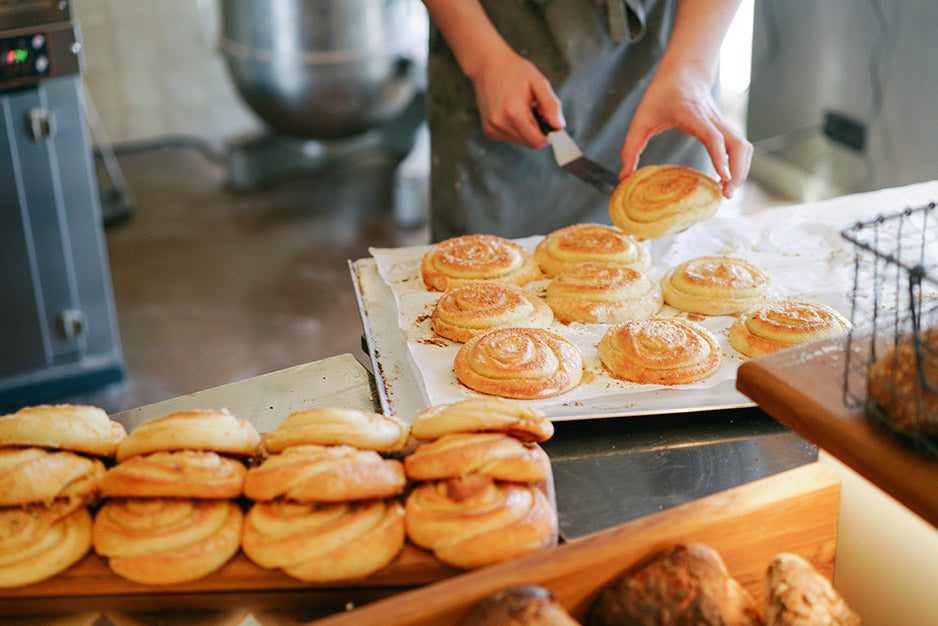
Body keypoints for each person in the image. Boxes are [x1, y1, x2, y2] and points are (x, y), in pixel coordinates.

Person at [421, 0, 753, 242]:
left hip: (675, 51)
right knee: (483, 284)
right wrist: (484, 59)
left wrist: (691, 70)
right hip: (492, 37)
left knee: (669, 260)